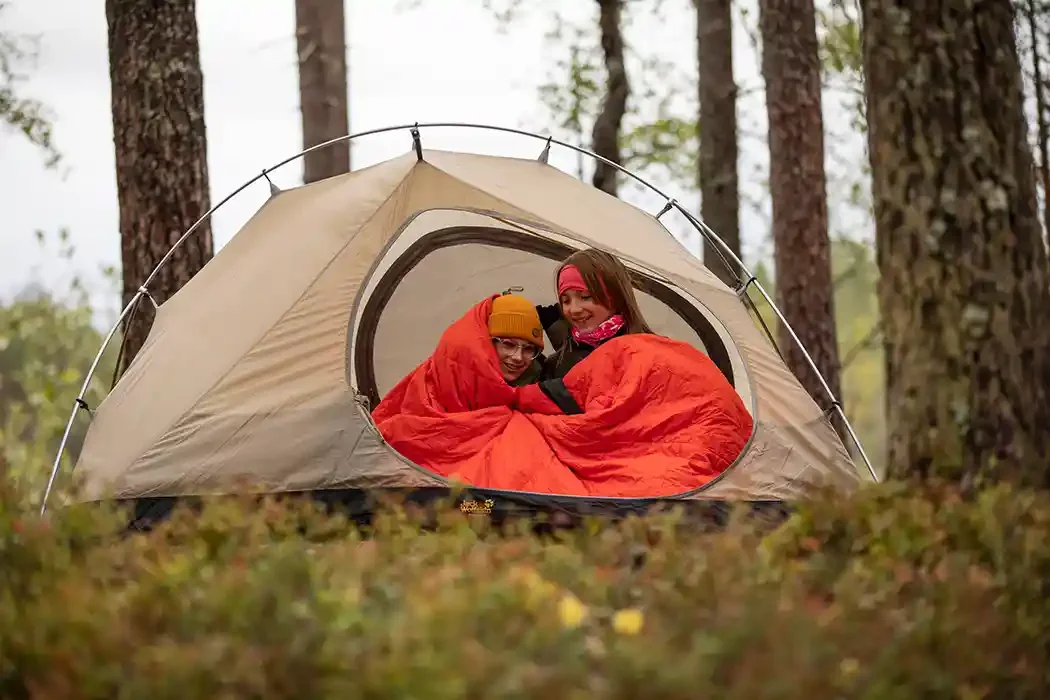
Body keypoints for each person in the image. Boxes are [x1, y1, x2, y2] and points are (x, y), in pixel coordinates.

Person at [535, 248, 654, 380]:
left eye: (585, 297)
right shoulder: (555, 367)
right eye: (566, 301)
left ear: (614, 296)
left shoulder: (653, 352)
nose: (574, 309)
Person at [487, 293, 546, 386]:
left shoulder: (544, 387)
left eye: (528, 349)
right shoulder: (462, 386)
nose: (518, 357)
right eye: (509, 344)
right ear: (489, 342)